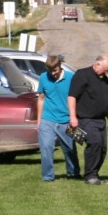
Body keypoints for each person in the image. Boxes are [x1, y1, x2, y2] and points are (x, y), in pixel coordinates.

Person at [68, 54, 108, 185]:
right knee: (95, 143)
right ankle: (90, 176)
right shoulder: (82, 75)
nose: (107, 72)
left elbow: (105, 102)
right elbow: (72, 96)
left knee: (102, 148)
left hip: (101, 119)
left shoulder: (105, 81)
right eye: (106, 69)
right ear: (98, 64)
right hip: (85, 118)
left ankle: (94, 173)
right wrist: (72, 117)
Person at [35, 54, 80, 182]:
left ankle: (73, 173)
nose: (53, 73)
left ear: (60, 66)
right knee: (46, 148)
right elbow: (41, 99)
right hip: (47, 119)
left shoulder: (71, 77)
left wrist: (75, 117)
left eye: (55, 70)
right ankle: (48, 176)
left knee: (70, 149)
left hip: (66, 120)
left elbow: (76, 98)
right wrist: (39, 121)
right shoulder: (43, 78)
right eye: (50, 71)